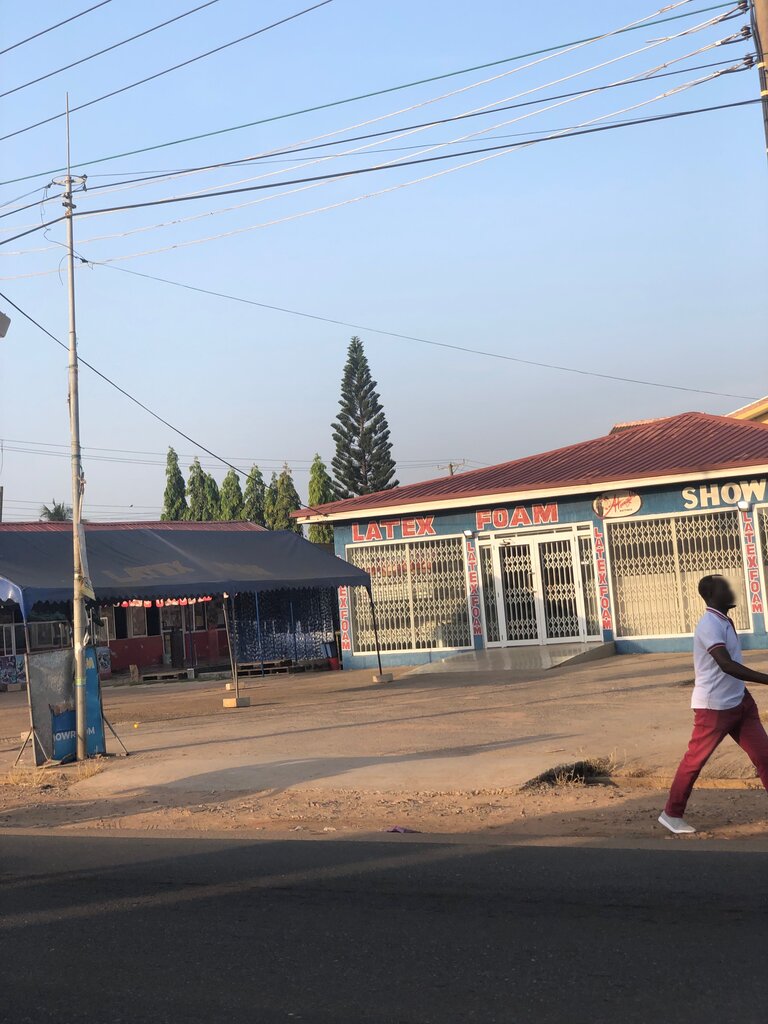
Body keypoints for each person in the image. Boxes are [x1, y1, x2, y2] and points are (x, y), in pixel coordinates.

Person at [659, 574, 768, 835]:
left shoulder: (725, 620)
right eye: (725, 588)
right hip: (714, 708)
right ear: (710, 596)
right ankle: (671, 814)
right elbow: (726, 664)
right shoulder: (709, 624)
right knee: (694, 761)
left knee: (765, 756)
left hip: (741, 702)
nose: (732, 591)